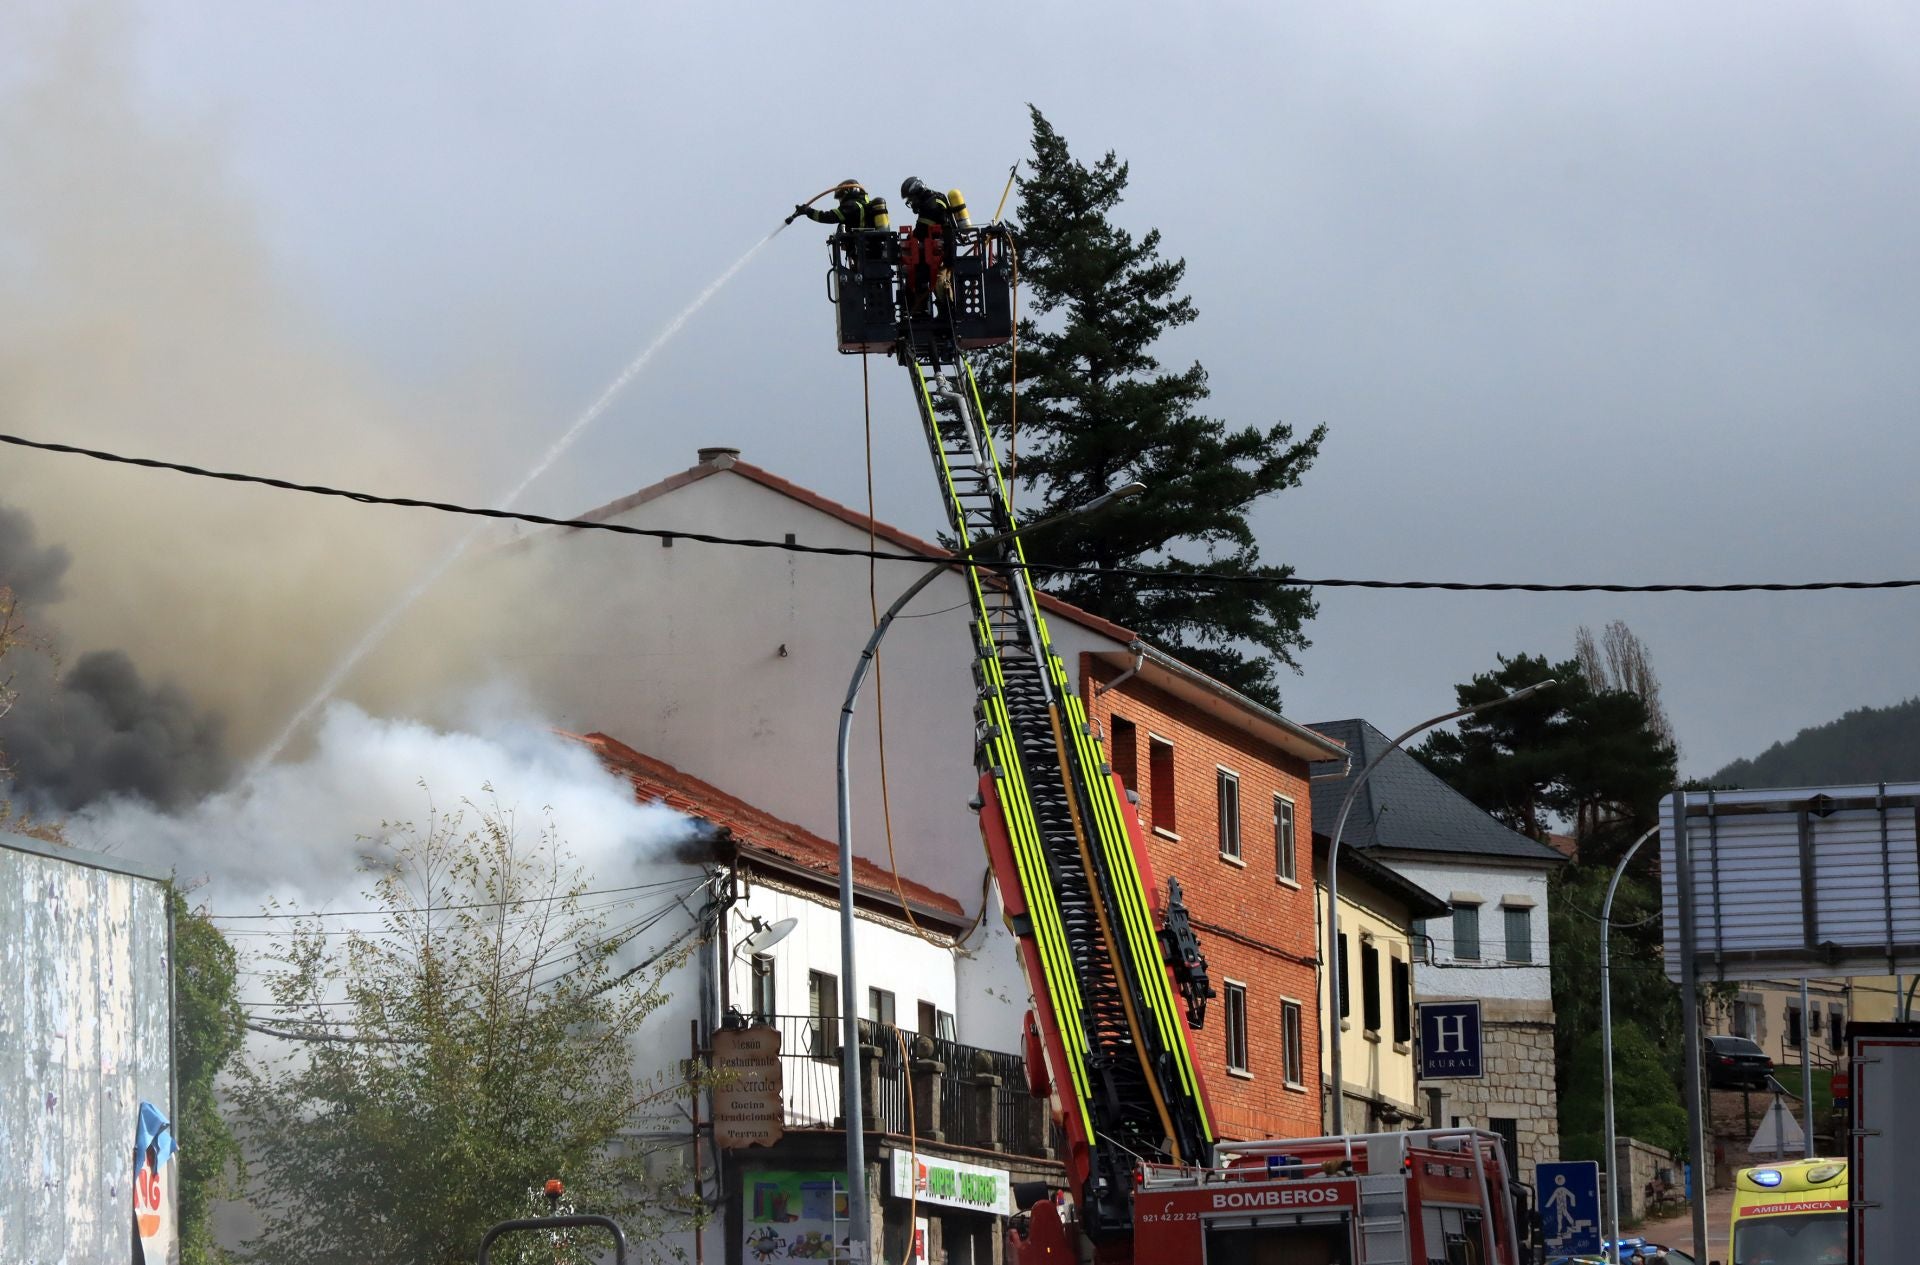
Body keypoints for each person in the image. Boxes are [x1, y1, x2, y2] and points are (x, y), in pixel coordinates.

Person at [899, 177, 958, 316]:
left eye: (911, 199)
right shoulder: (936, 198)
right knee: (927, 277)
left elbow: (920, 231)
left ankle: (946, 313)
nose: (912, 203)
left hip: (942, 252)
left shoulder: (929, 205)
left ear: (917, 192)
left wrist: (903, 244)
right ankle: (929, 310)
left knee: (937, 281)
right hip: (942, 249)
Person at [791, 180, 888, 230]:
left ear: (847, 192)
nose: (840, 200)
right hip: (872, 248)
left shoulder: (852, 206)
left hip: (863, 249)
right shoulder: (864, 205)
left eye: (840, 197)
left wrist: (808, 211)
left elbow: (829, 217)